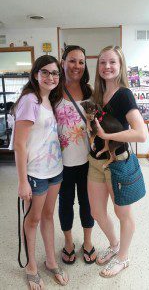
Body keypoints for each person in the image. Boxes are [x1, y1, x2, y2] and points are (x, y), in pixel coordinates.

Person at [87, 45, 146, 277]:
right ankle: (114, 245)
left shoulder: (124, 95)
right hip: (95, 162)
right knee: (96, 212)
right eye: (102, 62)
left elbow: (140, 133)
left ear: (120, 65)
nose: (107, 67)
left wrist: (107, 136)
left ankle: (124, 257)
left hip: (118, 163)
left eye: (112, 62)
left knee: (123, 214)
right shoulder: (97, 94)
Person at [13, 55, 69, 289]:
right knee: (33, 219)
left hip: (55, 170)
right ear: (35, 73)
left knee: (47, 216)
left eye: (55, 73)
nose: (50, 77)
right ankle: (31, 266)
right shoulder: (30, 100)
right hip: (35, 173)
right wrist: (22, 181)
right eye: (45, 72)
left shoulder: (49, 100)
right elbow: (19, 144)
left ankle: (51, 261)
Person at [54, 45, 97, 265]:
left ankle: (88, 242)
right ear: (63, 62)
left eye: (81, 62)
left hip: (88, 161)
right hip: (61, 163)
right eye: (72, 60)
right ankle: (69, 242)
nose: (77, 66)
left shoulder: (89, 91)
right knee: (65, 202)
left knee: (87, 203)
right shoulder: (54, 91)